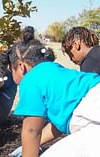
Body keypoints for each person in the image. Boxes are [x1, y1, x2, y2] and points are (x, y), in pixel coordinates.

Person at [10, 26, 100, 157]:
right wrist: (28, 146)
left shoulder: (30, 79)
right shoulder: (55, 72)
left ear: (20, 66)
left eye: (10, 70)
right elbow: (58, 124)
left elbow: (31, 131)